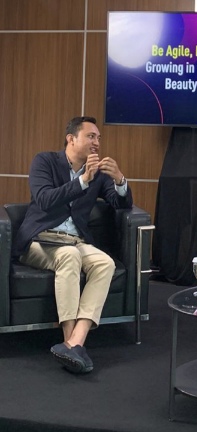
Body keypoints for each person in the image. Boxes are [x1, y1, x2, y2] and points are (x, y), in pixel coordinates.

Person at [12, 116, 132, 374]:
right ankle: (70, 340)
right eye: (91, 136)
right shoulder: (44, 161)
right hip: (40, 239)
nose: (97, 142)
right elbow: (44, 199)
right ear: (71, 139)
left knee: (105, 263)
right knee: (69, 256)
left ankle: (75, 342)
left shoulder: (98, 173)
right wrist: (82, 181)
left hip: (75, 241)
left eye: (98, 138)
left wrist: (120, 180)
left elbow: (120, 204)